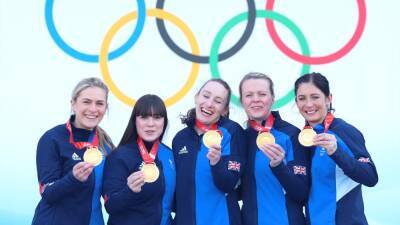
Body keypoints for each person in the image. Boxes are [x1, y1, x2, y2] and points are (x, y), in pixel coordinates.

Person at [294, 72, 378, 225]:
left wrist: (336, 152)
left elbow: (371, 177)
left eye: (315, 97)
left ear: (328, 99)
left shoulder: (344, 131)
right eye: (302, 98)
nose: (309, 104)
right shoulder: (303, 138)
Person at [32, 77, 115, 225]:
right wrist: (73, 178)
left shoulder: (106, 145)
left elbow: (110, 194)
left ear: (106, 107)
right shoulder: (52, 138)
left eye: (99, 103)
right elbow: (47, 194)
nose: (93, 109)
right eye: (86, 102)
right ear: (73, 104)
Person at [239, 72, 310, 225]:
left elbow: (301, 193)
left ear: (272, 98)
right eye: (249, 95)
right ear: (242, 101)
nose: (256, 99)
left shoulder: (291, 135)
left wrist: (279, 167)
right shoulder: (240, 139)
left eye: (262, 94)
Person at [172, 78, 246, 225]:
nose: (209, 104)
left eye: (218, 101)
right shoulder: (180, 138)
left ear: (224, 110)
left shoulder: (232, 132)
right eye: (206, 96)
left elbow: (229, 184)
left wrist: (216, 163)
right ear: (196, 97)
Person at [102, 94, 175, 225]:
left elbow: (174, 202)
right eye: (144, 117)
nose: (151, 124)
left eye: (157, 117)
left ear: (164, 121)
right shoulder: (119, 156)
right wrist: (129, 191)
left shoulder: (170, 155)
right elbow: (110, 206)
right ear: (135, 121)